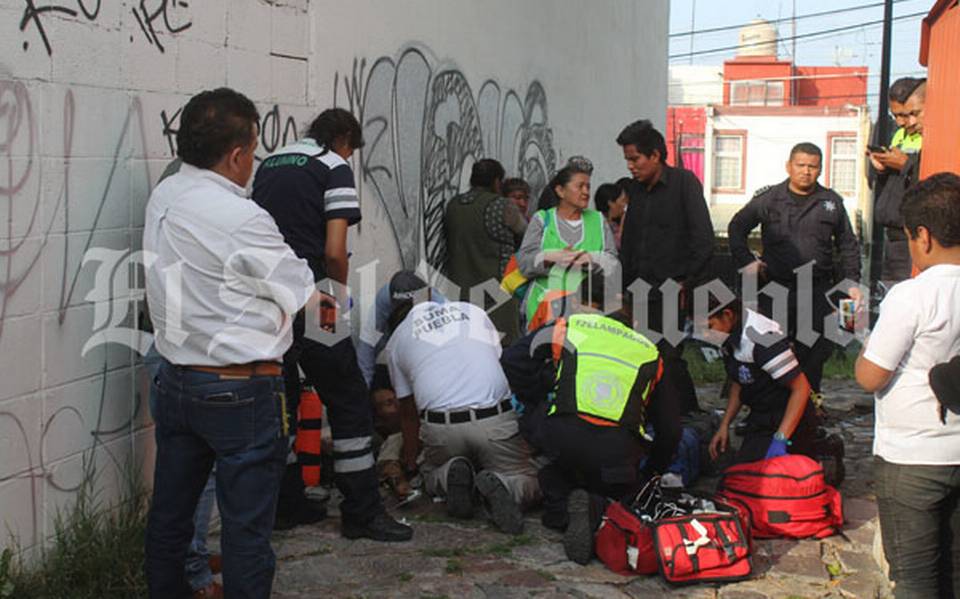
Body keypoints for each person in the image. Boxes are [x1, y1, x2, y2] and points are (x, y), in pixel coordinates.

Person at [143, 88, 316, 598]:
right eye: (254, 151)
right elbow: (300, 287)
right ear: (238, 155)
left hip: (177, 382)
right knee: (246, 533)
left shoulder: (166, 196)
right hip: (241, 391)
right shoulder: (242, 217)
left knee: (170, 521)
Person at [252, 108, 412, 541]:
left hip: (269, 297)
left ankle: (286, 506)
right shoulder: (332, 165)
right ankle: (362, 513)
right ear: (344, 139)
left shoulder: (268, 163)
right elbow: (336, 248)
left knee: (282, 398)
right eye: (351, 149)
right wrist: (337, 297)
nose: (350, 157)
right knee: (347, 397)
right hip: (315, 292)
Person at [503, 274, 681, 564]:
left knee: (555, 470)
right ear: (630, 317)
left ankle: (563, 507)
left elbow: (512, 361)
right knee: (622, 493)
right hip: (617, 453)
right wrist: (652, 471)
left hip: (561, 439)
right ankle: (598, 507)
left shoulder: (569, 326)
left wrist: (540, 394)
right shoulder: (650, 350)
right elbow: (671, 429)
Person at [855, 173, 960, 598]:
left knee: (914, 579)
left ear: (923, 236)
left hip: (912, 456)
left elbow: (870, 375)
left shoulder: (912, 296)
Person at [384, 272, 541, 534]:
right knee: (530, 477)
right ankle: (506, 486)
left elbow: (408, 413)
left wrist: (412, 465)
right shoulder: (473, 311)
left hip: (443, 429)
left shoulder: (396, 340)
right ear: (431, 294)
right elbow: (497, 361)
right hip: (494, 421)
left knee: (429, 471)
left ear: (394, 307)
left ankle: (448, 477)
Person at [728, 142, 862, 396]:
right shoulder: (769, 199)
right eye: (800, 165)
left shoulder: (830, 202)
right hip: (775, 288)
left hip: (815, 290)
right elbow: (737, 227)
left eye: (813, 166)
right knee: (768, 349)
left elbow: (848, 245)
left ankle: (810, 409)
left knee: (812, 352)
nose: (806, 171)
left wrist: (852, 282)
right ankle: (765, 410)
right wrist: (746, 261)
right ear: (789, 166)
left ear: (820, 169)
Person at [616, 119, 713, 416]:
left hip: (674, 291)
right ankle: (658, 415)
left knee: (668, 358)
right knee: (643, 357)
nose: (631, 166)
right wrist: (623, 291)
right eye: (628, 160)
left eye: (635, 159)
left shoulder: (684, 184)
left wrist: (688, 282)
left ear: (655, 155)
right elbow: (630, 242)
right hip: (640, 292)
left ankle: (681, 418)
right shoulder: (635, 190)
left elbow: (703, 237)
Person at [705, 297, 819, 464]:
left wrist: (781, 438)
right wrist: (725, 425)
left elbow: (801, 388)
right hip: (761, 417)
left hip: (790, 418)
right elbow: (739, 380)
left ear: (728, 315)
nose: (705, 335)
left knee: (771, 481)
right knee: (738, 477)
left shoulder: (762, 338)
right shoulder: (728, 336)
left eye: (709, 327)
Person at [516, 164, 618, 331]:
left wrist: (590, 260)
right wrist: (549, 257)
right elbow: (524, 264)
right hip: (544, 309)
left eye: (588, 186)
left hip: (587, 311)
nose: (586, 192)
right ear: (560, 191)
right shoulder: (542, 219)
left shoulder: (598, 220)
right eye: (580, 186)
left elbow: (613, 263)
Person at [444, 158, 528, 345]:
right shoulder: (503, 206)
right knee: (501, 351)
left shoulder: (453, 205)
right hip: (497, 296)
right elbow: (527, 236)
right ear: (497, 182)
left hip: (458, 295)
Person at [868, 77, 926, 284]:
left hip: (913, 234)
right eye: (897, 115)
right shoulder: (898, 134)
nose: (904, 122)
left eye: (909, 114)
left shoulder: (931, 136)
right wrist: (882, 169)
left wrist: (906, 164)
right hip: (891, 234)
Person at [593, 182, 628, 249]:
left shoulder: (615, 224)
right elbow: (617, 245)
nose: (625, 204)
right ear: (611, 203)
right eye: (623, 200)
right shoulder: (599, 224)